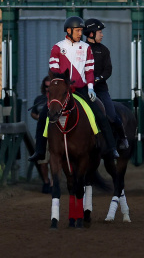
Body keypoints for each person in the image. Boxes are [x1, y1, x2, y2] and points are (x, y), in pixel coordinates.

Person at [28, 16, 119, 162]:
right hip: (63, 90)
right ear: (69, 30)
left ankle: (111, 148)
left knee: (99, 114)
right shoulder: (57, 47)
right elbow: (54, 69)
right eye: (77, 30)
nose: (80, 33)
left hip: (82, 89)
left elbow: (89, 70)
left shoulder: (86, 47)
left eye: (81, 30)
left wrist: (90, 88)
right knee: (44, 115)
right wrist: (63, 85)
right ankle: (39, 151)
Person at [83, 18, 130, 151]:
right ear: (91, 33)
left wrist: (98, 79)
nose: (102, 35)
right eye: (99, 32)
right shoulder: (81, 49)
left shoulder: (104, 50)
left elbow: (108, 70)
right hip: (83, 89)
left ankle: (122, 138)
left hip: (101, 89)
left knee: (111, 115)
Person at [28, 76, 53, 193]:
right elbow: (33, 113)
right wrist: (38, 117)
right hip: (42, 135)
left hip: (54, 135)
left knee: (54, 161)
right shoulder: (39, 99)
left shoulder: (57, 99)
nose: (48, 89)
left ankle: (54, 183)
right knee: (42, 162)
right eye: (46, 86)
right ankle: (46, 182)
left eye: (50, 86)